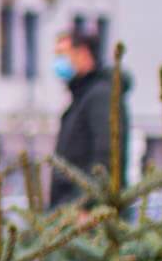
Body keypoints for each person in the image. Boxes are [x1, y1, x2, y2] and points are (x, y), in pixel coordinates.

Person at [50, 30, 131, 207]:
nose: (57, 62)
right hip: (68, 207)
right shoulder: (82, 97)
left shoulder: (101, 96)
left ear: (84, 53)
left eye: (62, 54)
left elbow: (108, 155)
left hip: (89, 214)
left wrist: (87, 205)